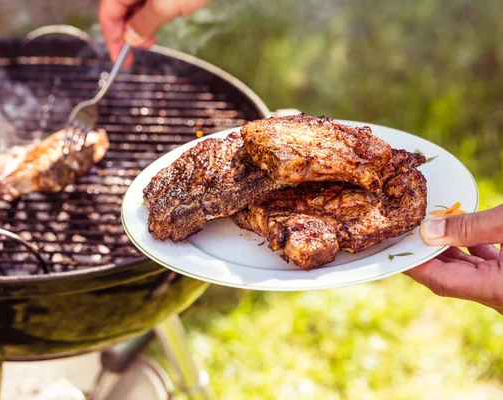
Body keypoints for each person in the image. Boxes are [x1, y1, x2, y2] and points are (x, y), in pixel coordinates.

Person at [97, 0, 503, 313]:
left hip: (339, 187)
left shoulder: (382, 181)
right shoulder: (261, 155)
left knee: (303, 190)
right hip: (290, 173)